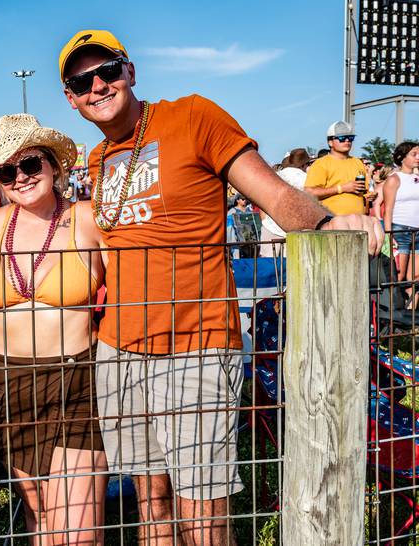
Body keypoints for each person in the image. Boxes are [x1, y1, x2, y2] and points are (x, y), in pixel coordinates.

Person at [58, 29, 383, 545]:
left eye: (108, 70)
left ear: (131, 71)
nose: (98, 84)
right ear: (71, 100)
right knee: (152, 503)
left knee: (202, 514)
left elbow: (272, 192)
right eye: (81, 80)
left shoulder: (192, 116)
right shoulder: (97, 161)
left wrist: (326, 225)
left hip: (196, 348)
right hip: (118, 352)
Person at [0, 114, 108, 545]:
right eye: (8, 171)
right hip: (5, 379)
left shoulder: (87, 219)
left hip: (75, 380)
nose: (21, 177)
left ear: (54, 166)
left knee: (80, 530)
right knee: (41, 517)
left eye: (31, 164)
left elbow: (132, 286)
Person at [303, 121, 371, 215]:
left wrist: (369, 196)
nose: (347, 141)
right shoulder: (321, 164)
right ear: (330, 142)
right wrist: (341, 188)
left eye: (351, 138)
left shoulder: (358, 162)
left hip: (357, 222)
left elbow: (364, 193)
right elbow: (309, 193)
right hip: (333, 223)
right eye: (342, 138)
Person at [383, 141, 419, 301]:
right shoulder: (394, 179)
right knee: (399, 275)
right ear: (402, 157)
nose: (418, 158)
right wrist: (389, 235)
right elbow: (388, 209)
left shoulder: (417, 178)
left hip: (417, 231)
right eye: (414, 154)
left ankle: (410, 313)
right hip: (400, 230)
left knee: (416, 277)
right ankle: (394, 312)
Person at [259, 148, 311, 257]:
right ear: (304, 164)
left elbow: (262, 199)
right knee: (290, 268)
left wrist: (264, 220)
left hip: (271, 227)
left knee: (267, 266)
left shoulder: (275, 176)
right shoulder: (307, 179)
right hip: (295, 230)